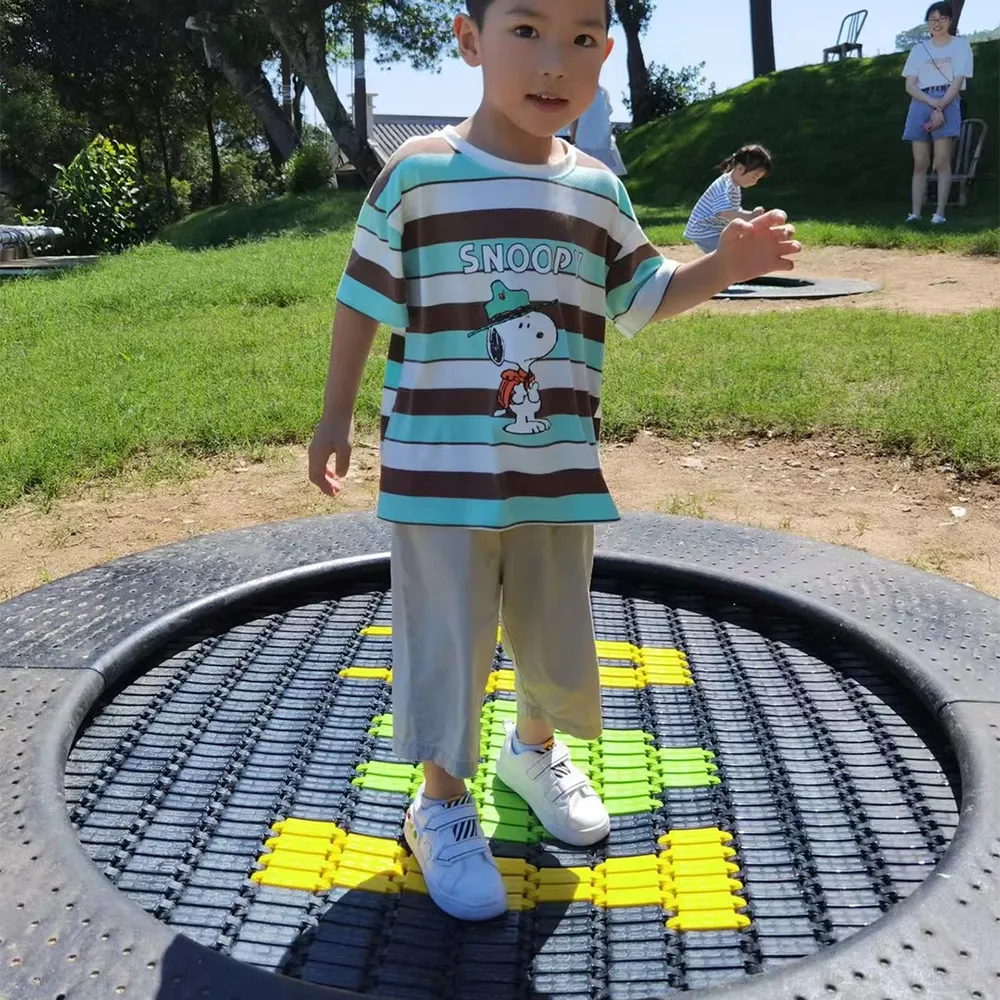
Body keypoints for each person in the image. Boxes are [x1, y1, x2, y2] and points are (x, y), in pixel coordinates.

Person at [308, 0, 799, 923]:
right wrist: (334, 416)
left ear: (606, 55)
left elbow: (645, 297)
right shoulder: (417, 176)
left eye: (580, 39)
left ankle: (531, 752)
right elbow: (360, 300)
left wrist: (726, 264)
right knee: (448, 638)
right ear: (469, 41)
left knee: (551, 629)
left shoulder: (596, 190)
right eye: (526, 30)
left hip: (556, 468)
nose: (552, 62)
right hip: (438, 473)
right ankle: (442, 804)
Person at [902, 2, 974, 225]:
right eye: (932, 19)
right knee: (920, 162)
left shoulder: (961, 46)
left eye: (942, 18)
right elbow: (910, 85)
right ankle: (914, 213)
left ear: (950, 21)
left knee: (942, 161)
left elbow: (958, 81)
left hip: (948, 101)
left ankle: (939, 214)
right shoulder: (919, 50)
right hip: (921, 101)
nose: (937, 23)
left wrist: (940, 107)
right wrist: (932, 103)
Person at [683, 145, 772, 255]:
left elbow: (734, 210)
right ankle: (708, 271)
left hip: (712, 230)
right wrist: (750, 217)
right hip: (704, 231)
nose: (755, 182)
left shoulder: (733, 185)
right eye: (754, 176)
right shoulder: (726, 186)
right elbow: (726, 212)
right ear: (740, 168)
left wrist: (751, 215)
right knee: (727, 255)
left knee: (731, 252)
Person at [570, 83, 627, 175]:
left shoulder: (579, 93)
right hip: (601, 141)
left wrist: (572, 139)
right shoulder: (603, 92)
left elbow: (574, 118)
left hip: (585, 140)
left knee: (585, 173)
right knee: (604, 173)